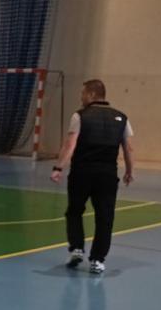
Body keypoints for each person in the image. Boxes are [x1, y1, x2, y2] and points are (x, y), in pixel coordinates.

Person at [50, 79, 135, 274]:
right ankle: (97, 260)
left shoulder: (80, 116)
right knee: (105, 217)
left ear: (91, 94)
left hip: (82, 173)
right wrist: (130, 171)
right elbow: (128, 148)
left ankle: (77, 248)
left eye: (83, 94)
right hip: (107, 176)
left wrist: (58, 167)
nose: (81, 97)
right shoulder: (122, 118)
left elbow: (70, 144)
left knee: (74, 211)